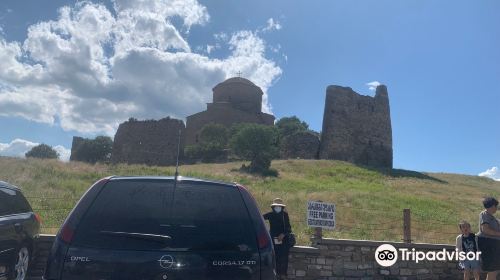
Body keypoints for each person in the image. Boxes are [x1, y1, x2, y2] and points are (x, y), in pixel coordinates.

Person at [263, 198, 292, 280]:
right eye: (276, 206)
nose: (277, 207)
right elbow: (260, 219)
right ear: (274, 207)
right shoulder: (270, 214)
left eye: (279, 206)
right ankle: (275, 274)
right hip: (273, 239)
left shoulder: (285, 215)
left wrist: (283, 234)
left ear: (281, 207)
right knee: (274, 257)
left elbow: (289, 228)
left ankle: (283, 274)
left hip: (284, 240)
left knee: (284, 257)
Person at [477, 196, 500, 280]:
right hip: (488, 244)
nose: (496, 208)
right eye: (496, 206)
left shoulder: (493, 218)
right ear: (492, 206)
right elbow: (485, 230)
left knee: (495, 270)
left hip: (494, 245)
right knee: (493, 269)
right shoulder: (484, 214)